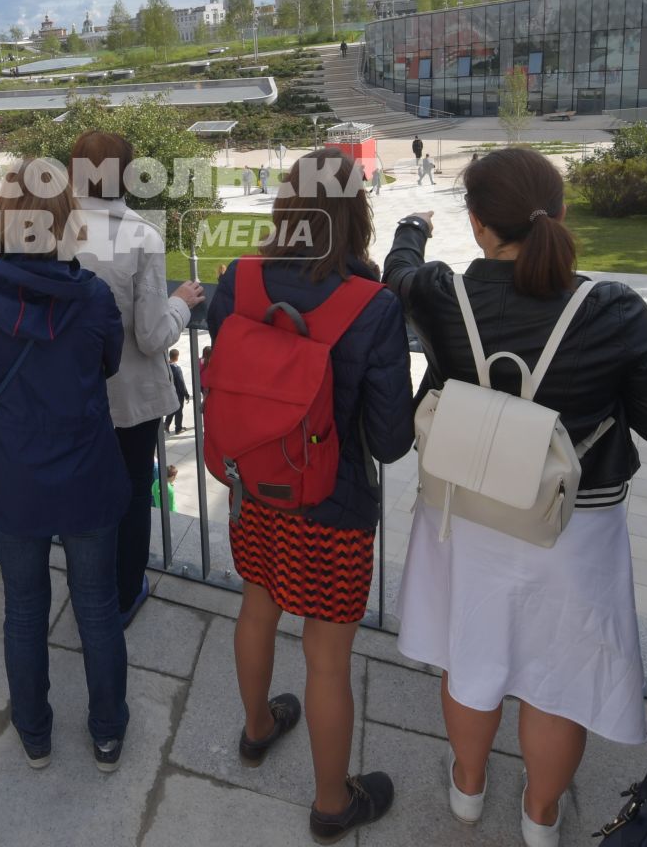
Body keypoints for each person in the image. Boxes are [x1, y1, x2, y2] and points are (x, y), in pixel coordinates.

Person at [384, 147, 647, 846]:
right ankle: (541, 817)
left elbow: (398, 275)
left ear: (477, 224)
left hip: (466, 512)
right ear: (558, 215)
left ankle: (468, 790)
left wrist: (412, 227)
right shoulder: (611, 307)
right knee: (559, 677)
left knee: (472, 654)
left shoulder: (444, 294)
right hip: (571, 526)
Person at [205, 147, 413, 842]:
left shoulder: (241, 279)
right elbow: (389, 441)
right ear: (358, 213)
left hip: (254, 490)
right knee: (327, 657)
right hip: (332, 504)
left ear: (286, 205)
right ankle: (331, 803)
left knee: (257, 606)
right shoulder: (374, 307)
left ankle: (258, 727)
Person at [0, 157, 130, 772]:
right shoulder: (96, 296)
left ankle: (34, 733)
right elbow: (106, 365)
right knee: (97, 607)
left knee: (24, 609)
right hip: (84, 466)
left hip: (12, 468)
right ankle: (107, 733)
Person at [69, 129, 206, 627]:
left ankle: (85, 589)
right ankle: (124, 593)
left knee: (82, 493)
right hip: (126, 399)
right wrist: (180, 303)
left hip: (69, 396)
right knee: (129, 497)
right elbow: (151, 337)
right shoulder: (140, 236)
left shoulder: (50, 228)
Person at [166, 348, 190, 434]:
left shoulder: (166, 366)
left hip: (168, 392)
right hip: (177, 393)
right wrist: (186, 394)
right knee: (179, 411)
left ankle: (167, 424)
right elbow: (181, 383)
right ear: (177, 357)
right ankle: (178, 428)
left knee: (173, 408)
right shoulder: (177, 369)